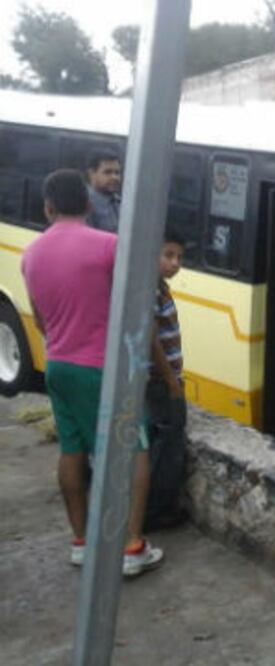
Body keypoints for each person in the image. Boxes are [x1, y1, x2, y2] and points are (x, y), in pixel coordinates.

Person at [21, 169, 163, 576]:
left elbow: (42, 322)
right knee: (134, 448)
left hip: (58, 366)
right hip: (104, 368)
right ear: (86, 204)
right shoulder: (108, 246)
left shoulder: (30, 255)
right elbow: (137, 308)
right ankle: (132, 546)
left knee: (71, 449)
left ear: (48, 208)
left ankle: (81, 541)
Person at [144, 228, 187, 531]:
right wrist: (172, 380)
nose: (175, 263)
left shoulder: (159, 286)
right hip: (161, 382)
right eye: (168, 255)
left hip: (161, 380)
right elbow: (151, 338)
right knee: (167, 444)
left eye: (179, 258)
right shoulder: (151, 289)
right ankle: (155, 511)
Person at [85, 149, 121, 232]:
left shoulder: (121, 203)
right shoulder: (84, 204)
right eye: (108, 172)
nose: (114, 177)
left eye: (117, 172)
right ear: (91, 174)